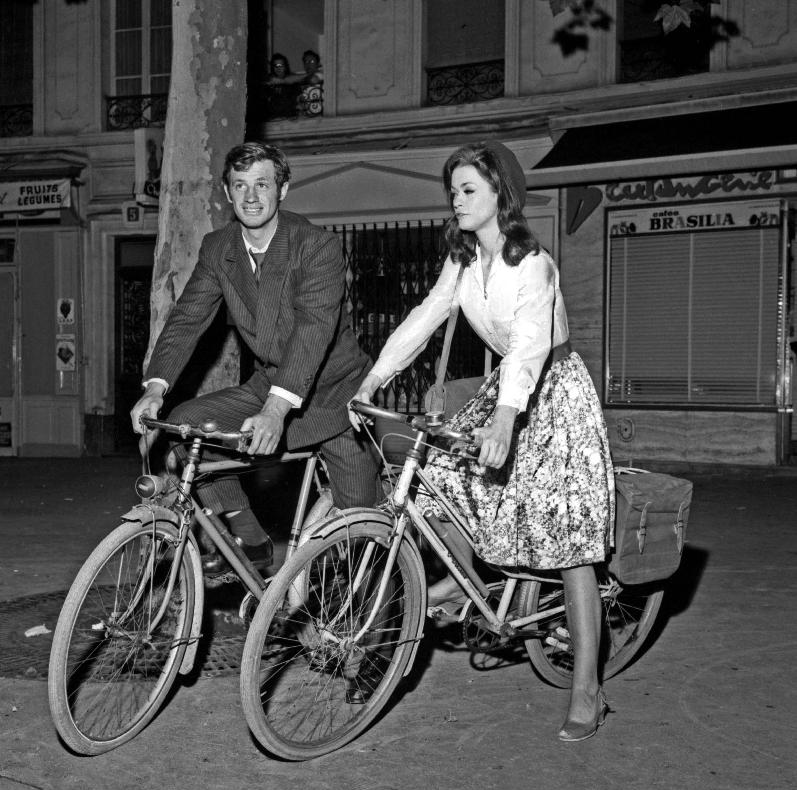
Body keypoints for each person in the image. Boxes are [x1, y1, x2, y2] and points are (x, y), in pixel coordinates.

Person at [349, 140, 615, 743]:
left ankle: (586, 689)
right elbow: (427, 313)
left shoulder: (534, 263)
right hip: (506, 389)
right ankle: (465, 581)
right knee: (436, 474)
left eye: (468, 189)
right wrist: (374, 376)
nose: (457, 200)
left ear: (501, 194)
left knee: (565, 535)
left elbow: (527, 346)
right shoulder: (466, 259)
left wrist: (504, 418)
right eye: (453, 191)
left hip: (550, 390)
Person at [132, 141, 382, 576]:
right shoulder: (219, 247)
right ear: (227, 194)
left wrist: (276, 408)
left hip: (334, 394)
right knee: (192, 427)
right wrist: (156, 388)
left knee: (362, 534)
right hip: (270, 384)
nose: (251, 196)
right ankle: (252, 542)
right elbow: (188, 318)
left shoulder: (316, 245)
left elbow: (313, 330)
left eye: (262, 184)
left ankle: (361, 620)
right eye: (240, 185)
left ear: (282, 190)